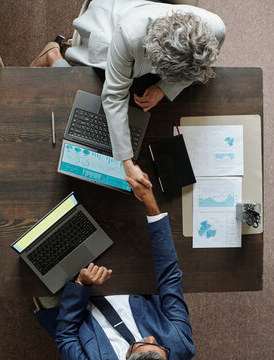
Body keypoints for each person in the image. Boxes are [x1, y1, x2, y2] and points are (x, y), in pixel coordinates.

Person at [30, 0, 226, 189]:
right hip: (109, 32)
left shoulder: (216, 29)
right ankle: (53, 55)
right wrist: (126, 162)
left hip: (151, 41)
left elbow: (199, 69)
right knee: (77, 91)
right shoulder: (129, 35)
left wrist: (164, 88)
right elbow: (114, 97)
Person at [35, 173, 195, 359]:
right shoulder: (179, 345)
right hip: (124, 278)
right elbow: (169, 277)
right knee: (110, 205)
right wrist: (149, 202)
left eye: (142, 343)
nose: (152, 338)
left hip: (75, 303)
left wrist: (81, 284)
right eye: (160, 346)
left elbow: (66, 336)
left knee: (38, 242)